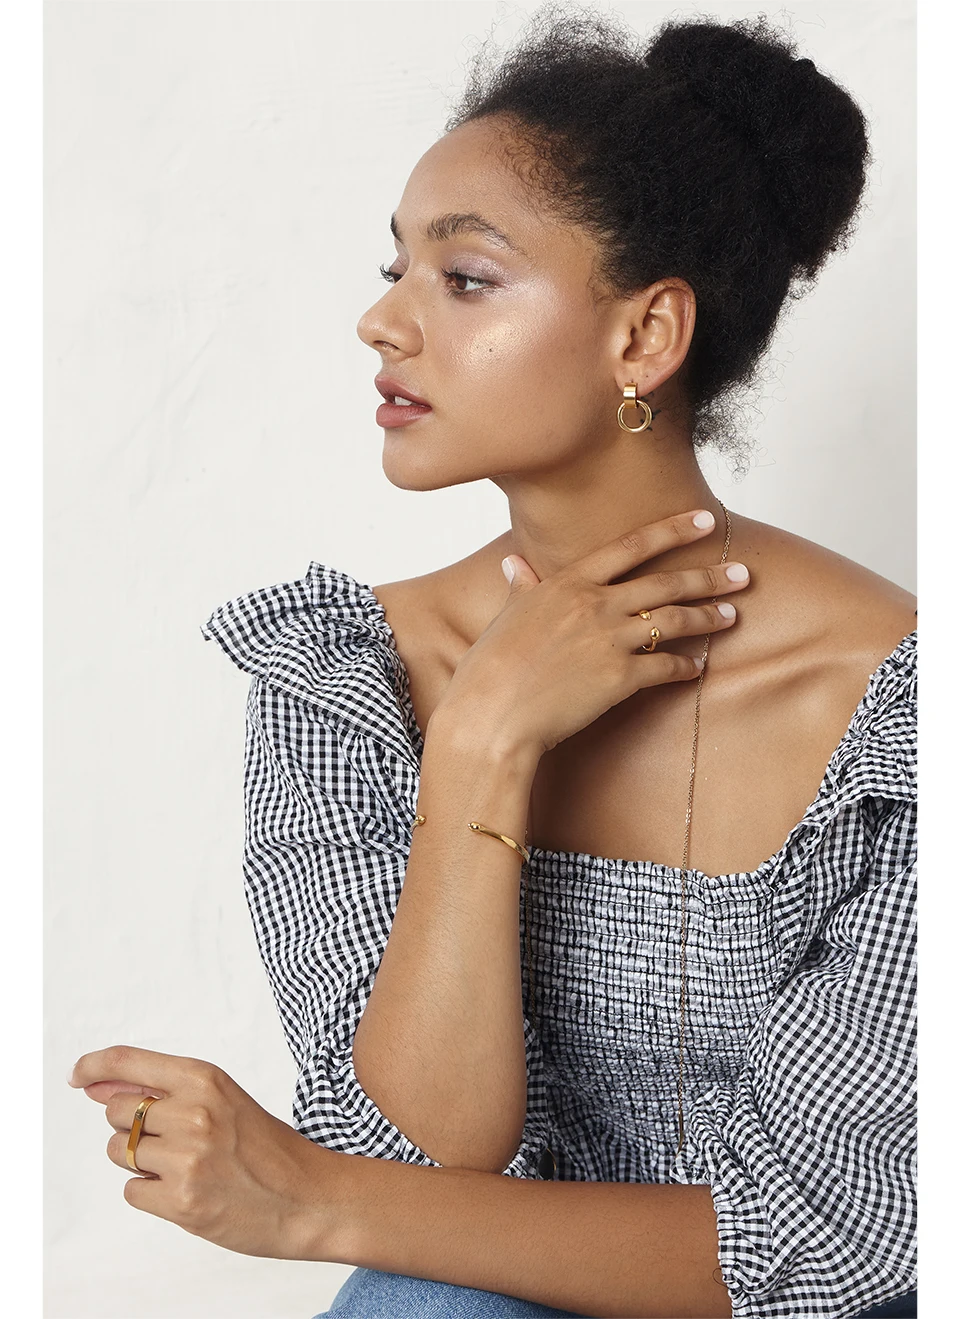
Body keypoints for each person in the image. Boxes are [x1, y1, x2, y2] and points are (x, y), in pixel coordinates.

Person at [71, 7, 916, 1318]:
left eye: (463, 279)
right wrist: (481, 743)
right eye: (395, 267)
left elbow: (824, 1246)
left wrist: (306, 1201)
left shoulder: (903, 712)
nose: (381, 321)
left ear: (645, 337)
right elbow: (412, 1161)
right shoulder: (346, 676)